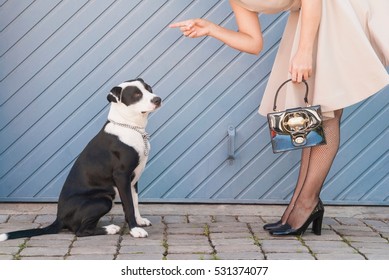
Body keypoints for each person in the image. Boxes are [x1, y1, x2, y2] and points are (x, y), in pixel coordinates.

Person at [170, 0, 389, 236]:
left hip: (337, 9)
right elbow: (253, 42)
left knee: (327, 111)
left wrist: (304, 51)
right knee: (315, 112)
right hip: (309, 20)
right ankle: (299, 204)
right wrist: (211, 28)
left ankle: (307, 203)